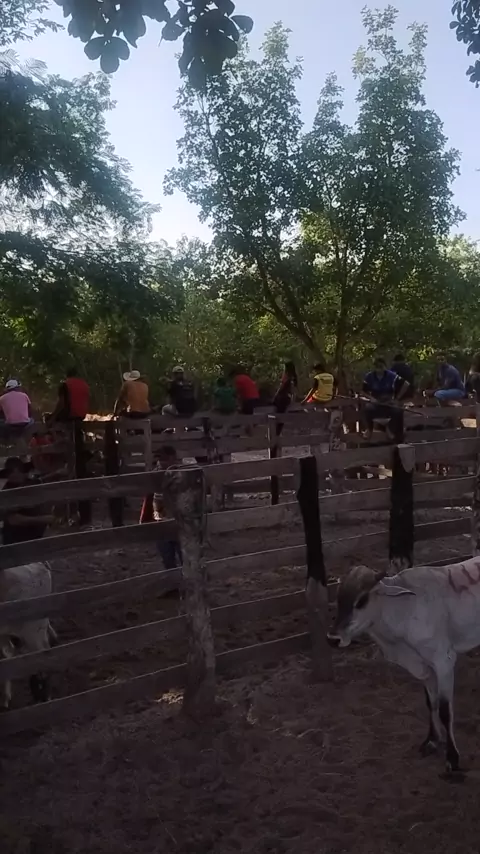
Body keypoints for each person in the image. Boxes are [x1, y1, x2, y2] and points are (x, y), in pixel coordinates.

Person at [140, 445, 183, 573]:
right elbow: (148, 498)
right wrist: (146, 520)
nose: (161, 463)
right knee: (167, 558)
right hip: (161, 523)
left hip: (179, 523)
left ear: (173, 459)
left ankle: (186, 581)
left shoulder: (182, 475)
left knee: (185, 556)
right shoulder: (155, 476)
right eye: (159, 460)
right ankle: (173, 581)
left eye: (164, 459)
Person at [0, 457, 55, 545]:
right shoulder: (6, 491)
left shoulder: (30, 483)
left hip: (36, 537)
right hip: (17, 541)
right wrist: (43, 519)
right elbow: (13, 519)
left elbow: (41, 482)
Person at [362, 357, 409, 441]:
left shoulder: (391, 375)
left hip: (388, 402)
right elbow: (362, 391)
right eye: (377, 366)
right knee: (367, 409)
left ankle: (390, 429)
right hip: (376, 402)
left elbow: (406, 384)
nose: (379, 369)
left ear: (385, 366)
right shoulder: (369, 376)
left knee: (398, 411)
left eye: (381, 366)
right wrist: (371, 398)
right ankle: (369, 429)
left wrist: (397, 399)